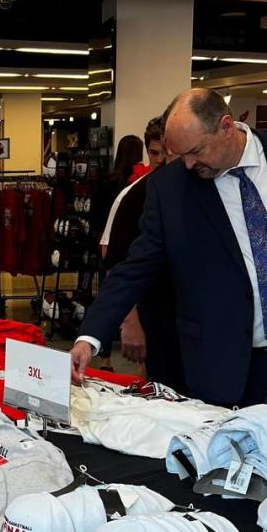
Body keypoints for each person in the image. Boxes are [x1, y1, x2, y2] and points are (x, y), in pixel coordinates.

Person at [73, 88, 267, 407]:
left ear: (226, 127)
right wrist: (90, 338)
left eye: (195, 151)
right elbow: (135, 269)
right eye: (178, 154)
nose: (187, 164)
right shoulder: (170, 188)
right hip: (228, 365)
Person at [98, 119, 173, 374]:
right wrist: (129, 321)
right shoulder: (134, 196)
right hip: (152, 313)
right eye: (155, 153)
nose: (161, 160)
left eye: (168, 152)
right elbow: (113, 259)